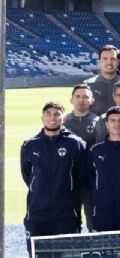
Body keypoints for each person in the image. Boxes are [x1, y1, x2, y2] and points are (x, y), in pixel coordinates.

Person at [21, 101, 85, 240]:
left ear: (64, 118)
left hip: (67, 212)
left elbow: (82, 176)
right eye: (48, 114)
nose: (52, 117)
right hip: (37, 211)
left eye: (57, 114)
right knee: (38, 257)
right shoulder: (30, 144)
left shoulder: (76, 143)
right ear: (42, 118)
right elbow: (27, 175)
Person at [86, 45, 120, 117]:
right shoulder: (88, 85)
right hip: (96, 127)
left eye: (113, 59)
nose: (109, 62)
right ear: (99, 62)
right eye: (105, 59)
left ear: (118, 62)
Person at [64, 83, 97, 148]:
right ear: (71, 100)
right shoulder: (63, 121)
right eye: (77, 96)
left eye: (85, 97)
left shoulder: (99, 122)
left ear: (92, 101)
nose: (81, 100)